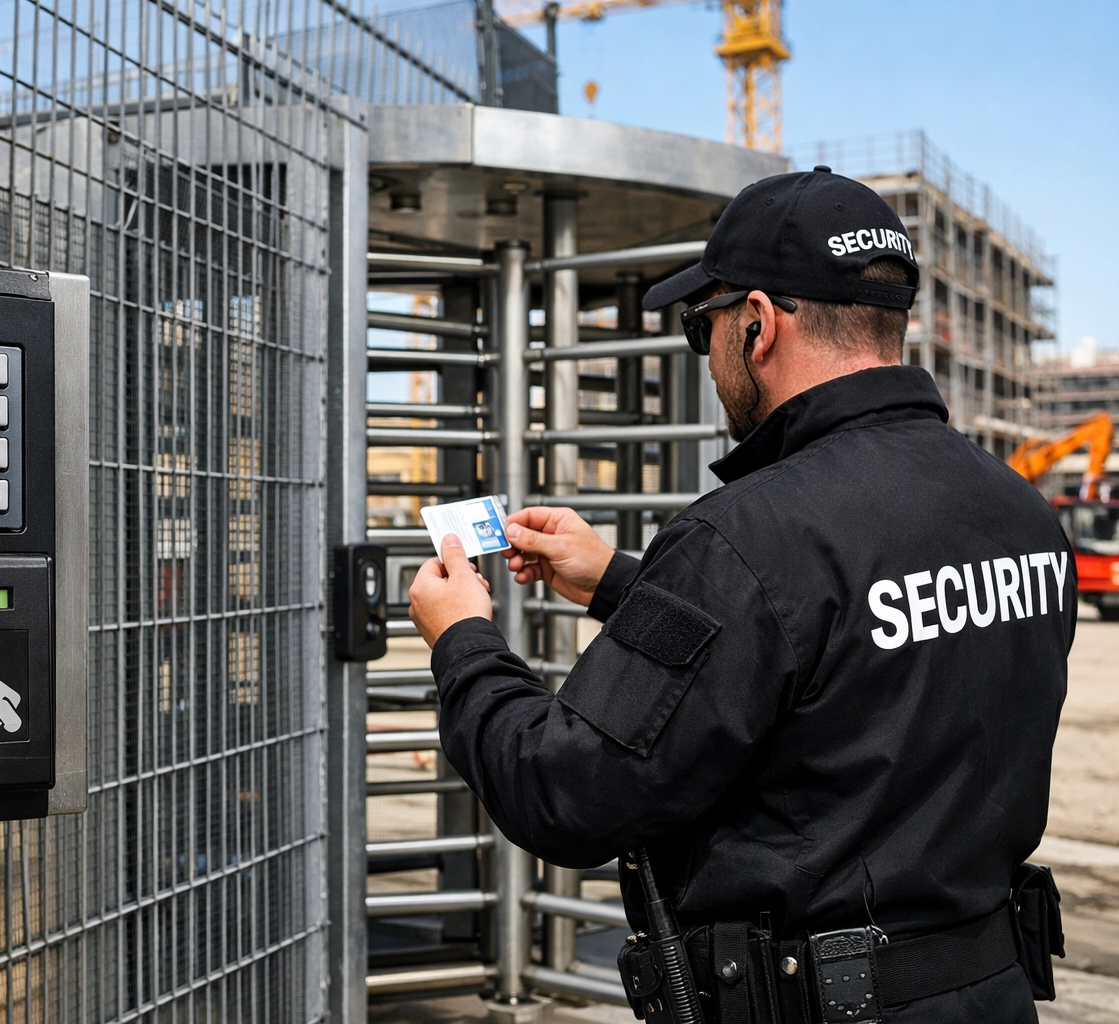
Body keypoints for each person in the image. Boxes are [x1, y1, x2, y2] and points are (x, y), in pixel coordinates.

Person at [407, 168, 1072, 1024]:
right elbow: (846, 661)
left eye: (702, 325)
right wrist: (618, 581)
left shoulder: (747, 537)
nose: (709, 354)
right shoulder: (1015, 508)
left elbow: (563, 793)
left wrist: (463, 640)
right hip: (988, 996)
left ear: (757, 323)